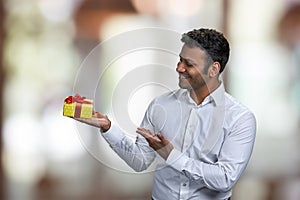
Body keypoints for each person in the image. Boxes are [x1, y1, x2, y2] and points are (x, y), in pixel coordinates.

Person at [76, 28, 256, 200]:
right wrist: (107, 127)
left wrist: (171, 155)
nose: (179, 68)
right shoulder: (160, 105)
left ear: (213, 69)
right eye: (180, 60)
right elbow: (140, 161)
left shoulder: (240, 119)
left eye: (189, 64)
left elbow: (225, 178)